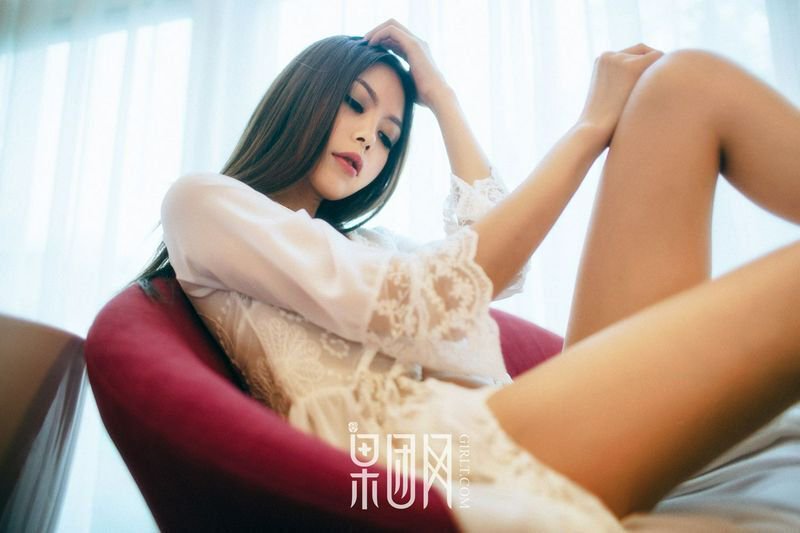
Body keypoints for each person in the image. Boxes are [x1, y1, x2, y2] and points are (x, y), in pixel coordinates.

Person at [135, 19, 800, 531]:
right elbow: (430, 299)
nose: (368, 138)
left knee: (681, 87)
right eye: (355, 105)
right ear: (303, 97)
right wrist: (590, 126)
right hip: (439, 461)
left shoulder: (361, 244)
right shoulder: (204, 202)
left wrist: (442, 96)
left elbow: (496, 262)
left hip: (514, 418)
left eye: (388, 135)